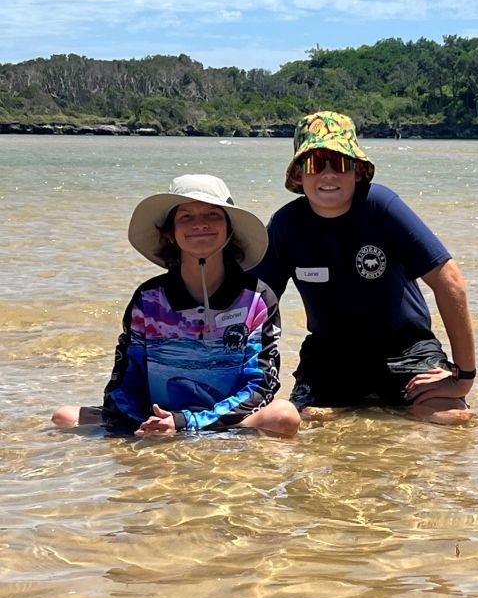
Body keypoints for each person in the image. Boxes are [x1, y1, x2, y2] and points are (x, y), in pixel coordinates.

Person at [256, 112, 477, 425]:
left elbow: (451, 282)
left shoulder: (381, 206)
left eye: (340, 163)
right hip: (331, 355)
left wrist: (463, 376)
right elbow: (254, 307)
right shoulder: (285, 225)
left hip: (406, 349)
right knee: (313, 424)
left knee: (453, 420)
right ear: (297, 175)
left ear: (358, 171)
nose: (328, 175)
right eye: (316, 164)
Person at [51, 175, 300, 438]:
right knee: (64, 418)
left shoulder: (256, 298)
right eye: (186, 217)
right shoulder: (148, 299)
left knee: (284, 416)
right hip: (157, 418)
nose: (200, 224)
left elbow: (261, 386)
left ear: (230, 229)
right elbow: (124, 381)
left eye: (212, 215)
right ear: (170, 233)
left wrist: (186, 422)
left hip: (226, 420)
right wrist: (149, 423)